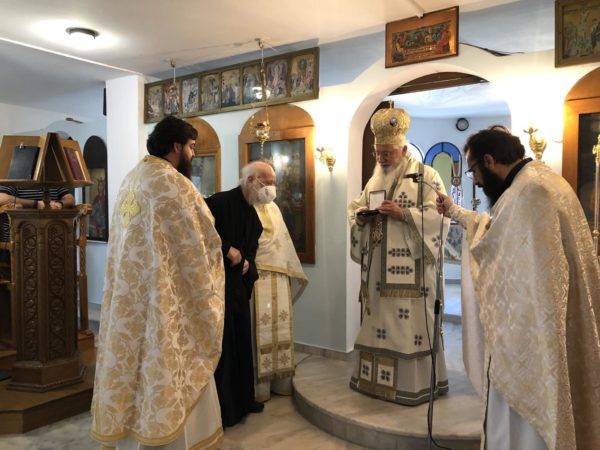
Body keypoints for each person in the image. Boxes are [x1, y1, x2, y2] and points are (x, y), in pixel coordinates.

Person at [436, 126, 600, 449]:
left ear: (489, 160)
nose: (476, 181)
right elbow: (494, 231)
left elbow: (495, 249)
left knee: (524, 431)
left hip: (529, 341)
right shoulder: (541, 180)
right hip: (543, 329)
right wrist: (454, 210)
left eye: (473, 171)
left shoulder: (529, 193)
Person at [90, 116, 226, 450]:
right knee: (165, 363)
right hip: (162, 303)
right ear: (176, 146)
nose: (193, 154)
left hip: (127, 302)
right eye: (191, 147)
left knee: (131, 368)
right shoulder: (174, 185)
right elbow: (201, 244)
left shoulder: (132, 179)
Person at [347, 106, 450, 406]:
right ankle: (372, 382)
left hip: (412, 276)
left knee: (408, 328)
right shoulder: (374, 180)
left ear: (404, 150)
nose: (381, 158)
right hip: (377, 274)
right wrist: (360, 218)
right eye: (378, 153)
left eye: (388, 153)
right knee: (377, 322)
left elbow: (441, 216)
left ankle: (412, 385)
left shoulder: (427, 176)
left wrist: (403, 213)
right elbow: (355, 207)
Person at [205, 160, 274, 426]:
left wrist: (247, 262)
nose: (271, 189)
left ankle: (244, 400)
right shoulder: (219, 203)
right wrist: (226, 248)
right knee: (224, 350)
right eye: (267, 183)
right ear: (251, 180)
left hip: (237, 290)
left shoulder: (253, 216)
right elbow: (200, 233)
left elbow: (251, 252)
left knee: (242, 345)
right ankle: (224, 410)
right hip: (217, 289)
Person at [251, 199, 308, 402]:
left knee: (280, 327)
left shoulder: (274, 207)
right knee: (257, 332)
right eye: (267, 183)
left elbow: (284, 241)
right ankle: (260, 389)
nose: (271, 186)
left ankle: (281, 383)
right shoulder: (246, 205)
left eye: (272, 183)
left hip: (280, 275)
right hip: (257, 276)